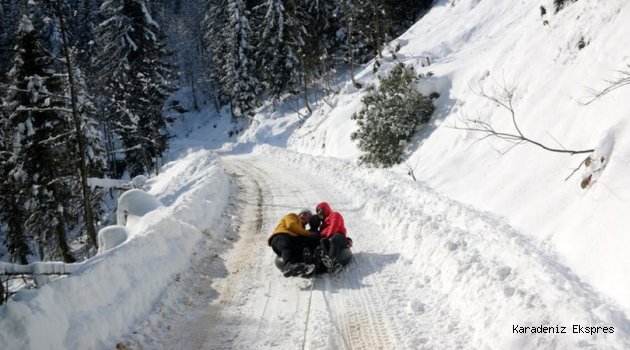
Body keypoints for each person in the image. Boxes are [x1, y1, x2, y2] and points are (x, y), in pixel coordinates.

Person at [268, 210, 319, 277]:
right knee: (286, 244)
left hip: (293, 241)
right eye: (304, 214)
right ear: (299, 215)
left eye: (309, 218)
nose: (306, 217)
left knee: (305, 244)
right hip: (281, 237)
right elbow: (290, 225)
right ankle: (288, 266)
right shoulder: (292, 216)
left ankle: (305, 266)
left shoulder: (302, 229)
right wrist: (309, 233)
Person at [315, 202, 351, 273]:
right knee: (322, 241)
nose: (319, 212)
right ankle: (332, 262)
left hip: (339, 236)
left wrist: (328, 236)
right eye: (317, 211)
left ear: (325, 208)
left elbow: (335, 225)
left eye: (320, 210)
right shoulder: (323, 225)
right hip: (331, 240)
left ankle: (332, 258)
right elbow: (321, 235)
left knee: (333, 238)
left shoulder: (334, 215)